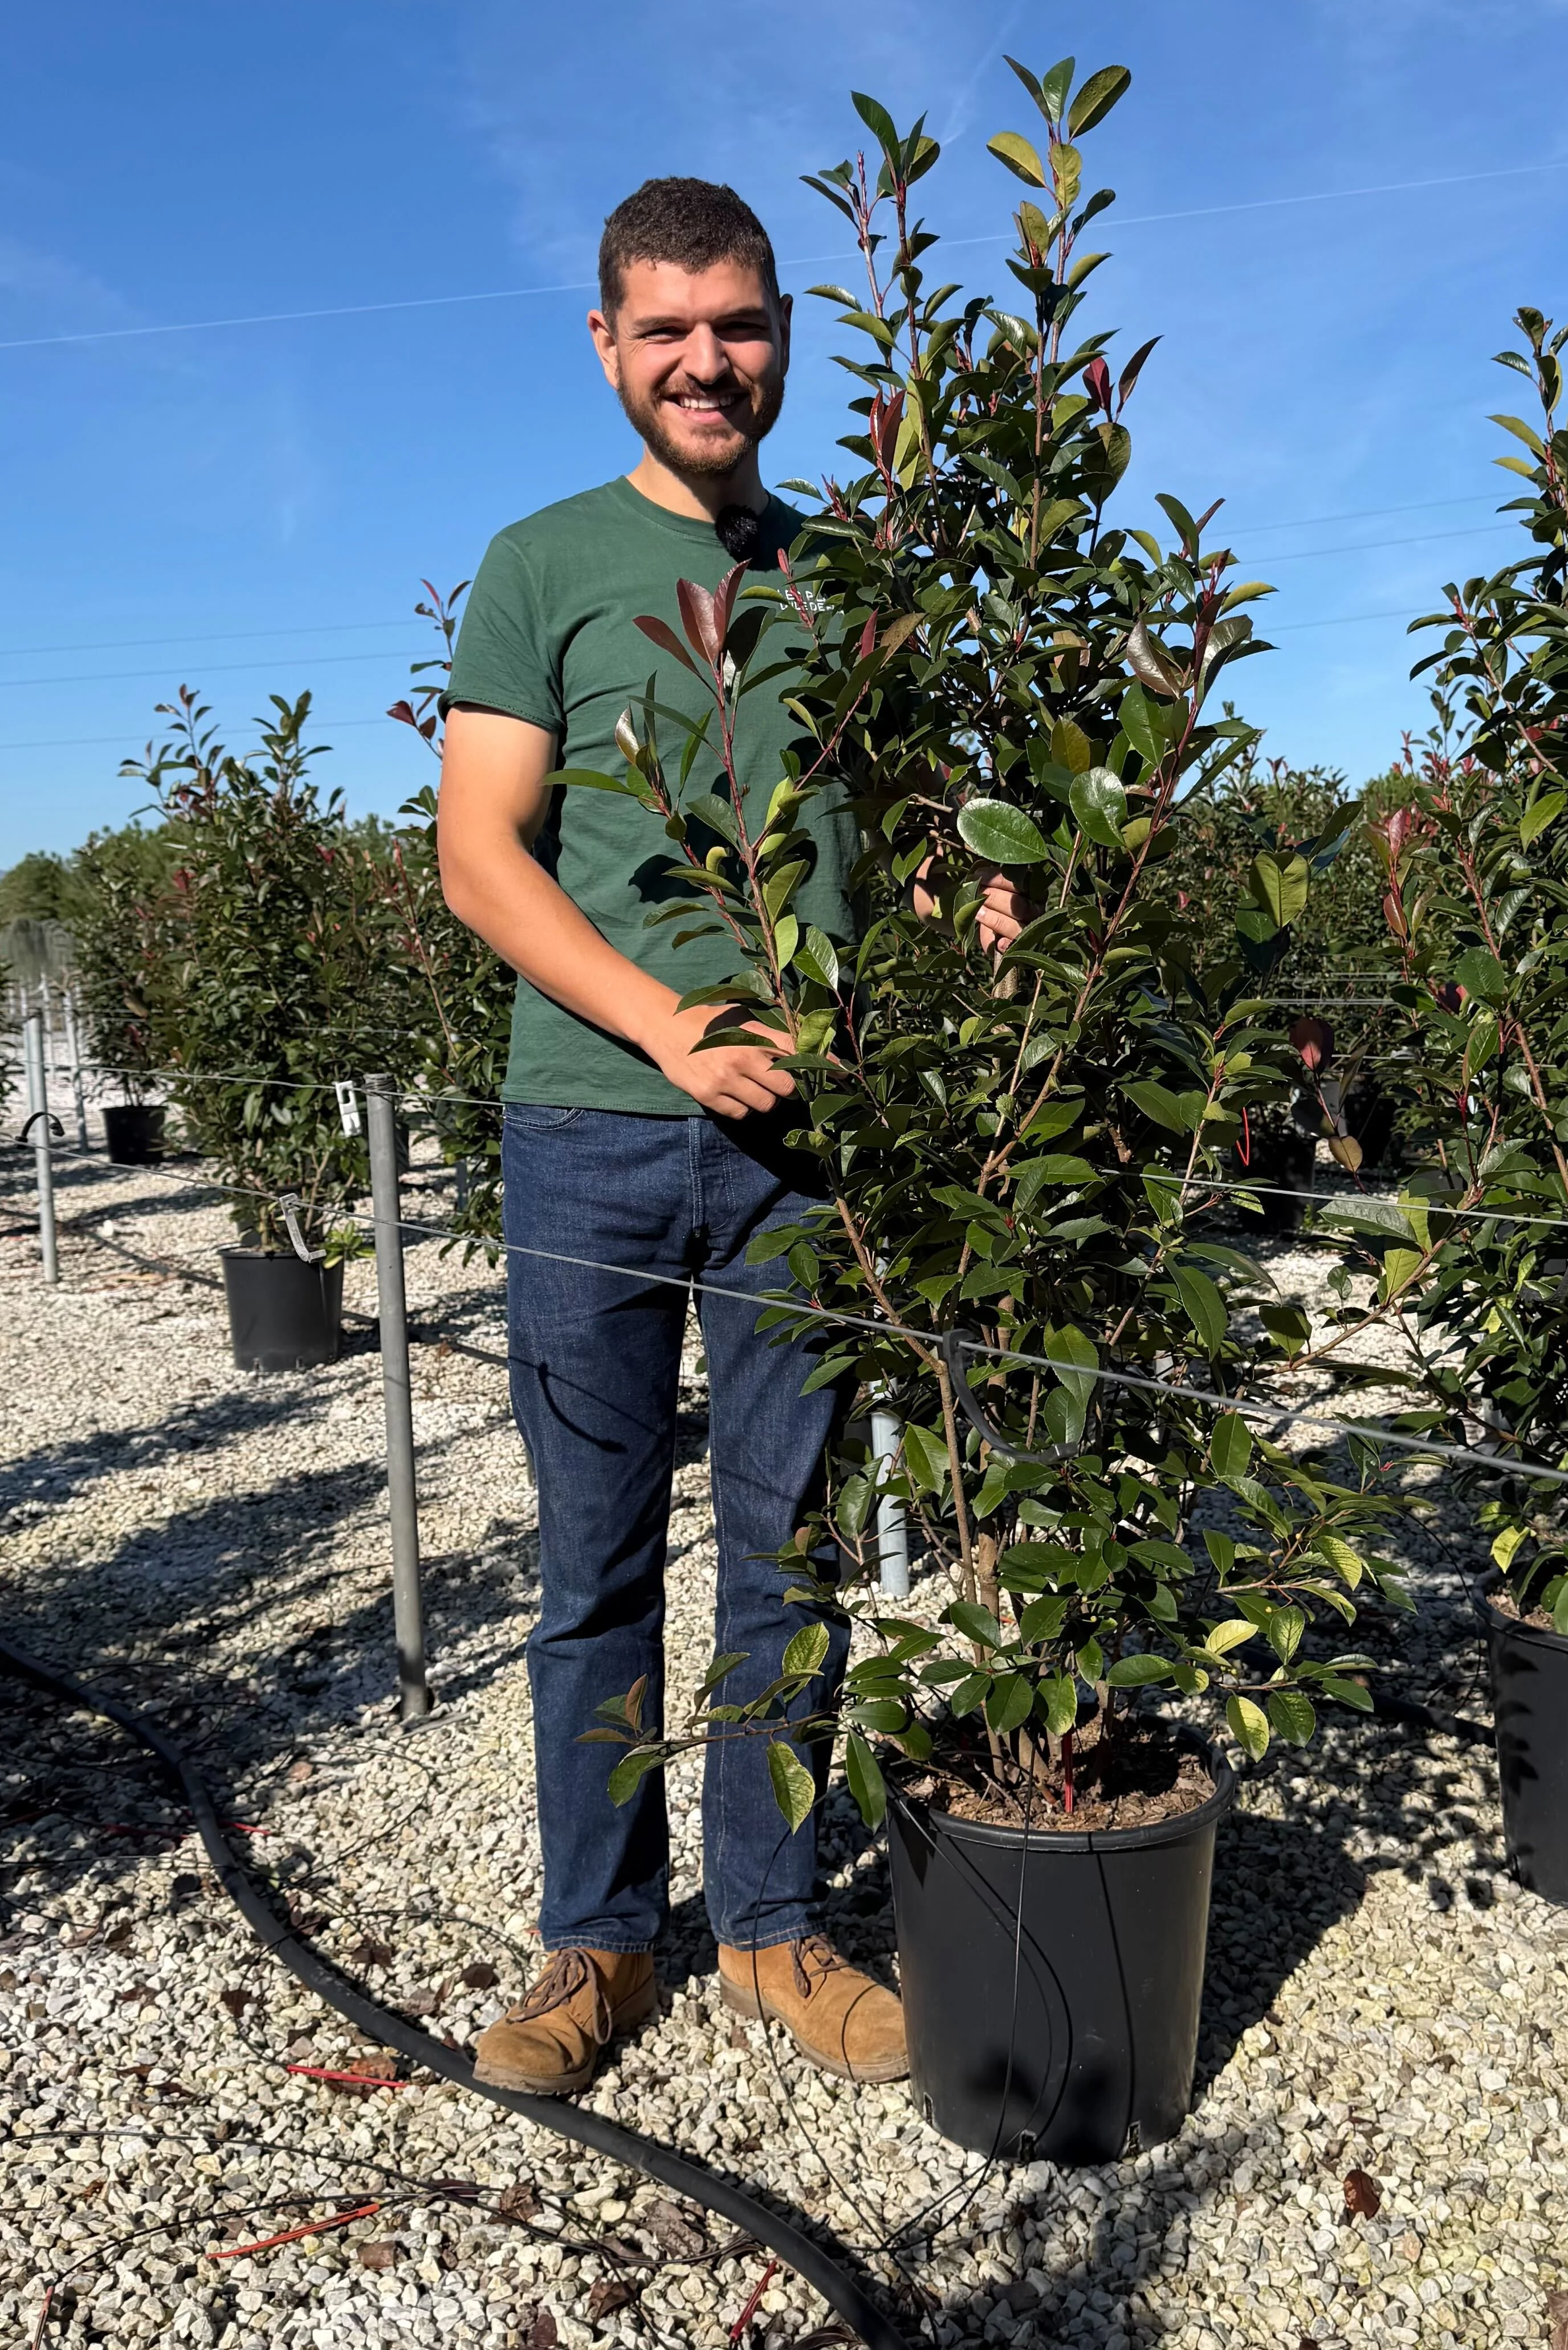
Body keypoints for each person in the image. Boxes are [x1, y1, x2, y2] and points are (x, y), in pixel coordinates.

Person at [437, 176, 1023, 2095]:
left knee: (789, 1545)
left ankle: (771, 1927)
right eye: (669, 328)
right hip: (591, 1130)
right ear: (607, 343)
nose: (709, 359)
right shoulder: (544, 565)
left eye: (740, 324)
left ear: (786, 336)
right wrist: (670, 1021)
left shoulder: (848, 581)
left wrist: (974, 890)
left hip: (805, 1152)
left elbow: (896, 831)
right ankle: (599, 1941)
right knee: (595, 1562)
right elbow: (480, 858)